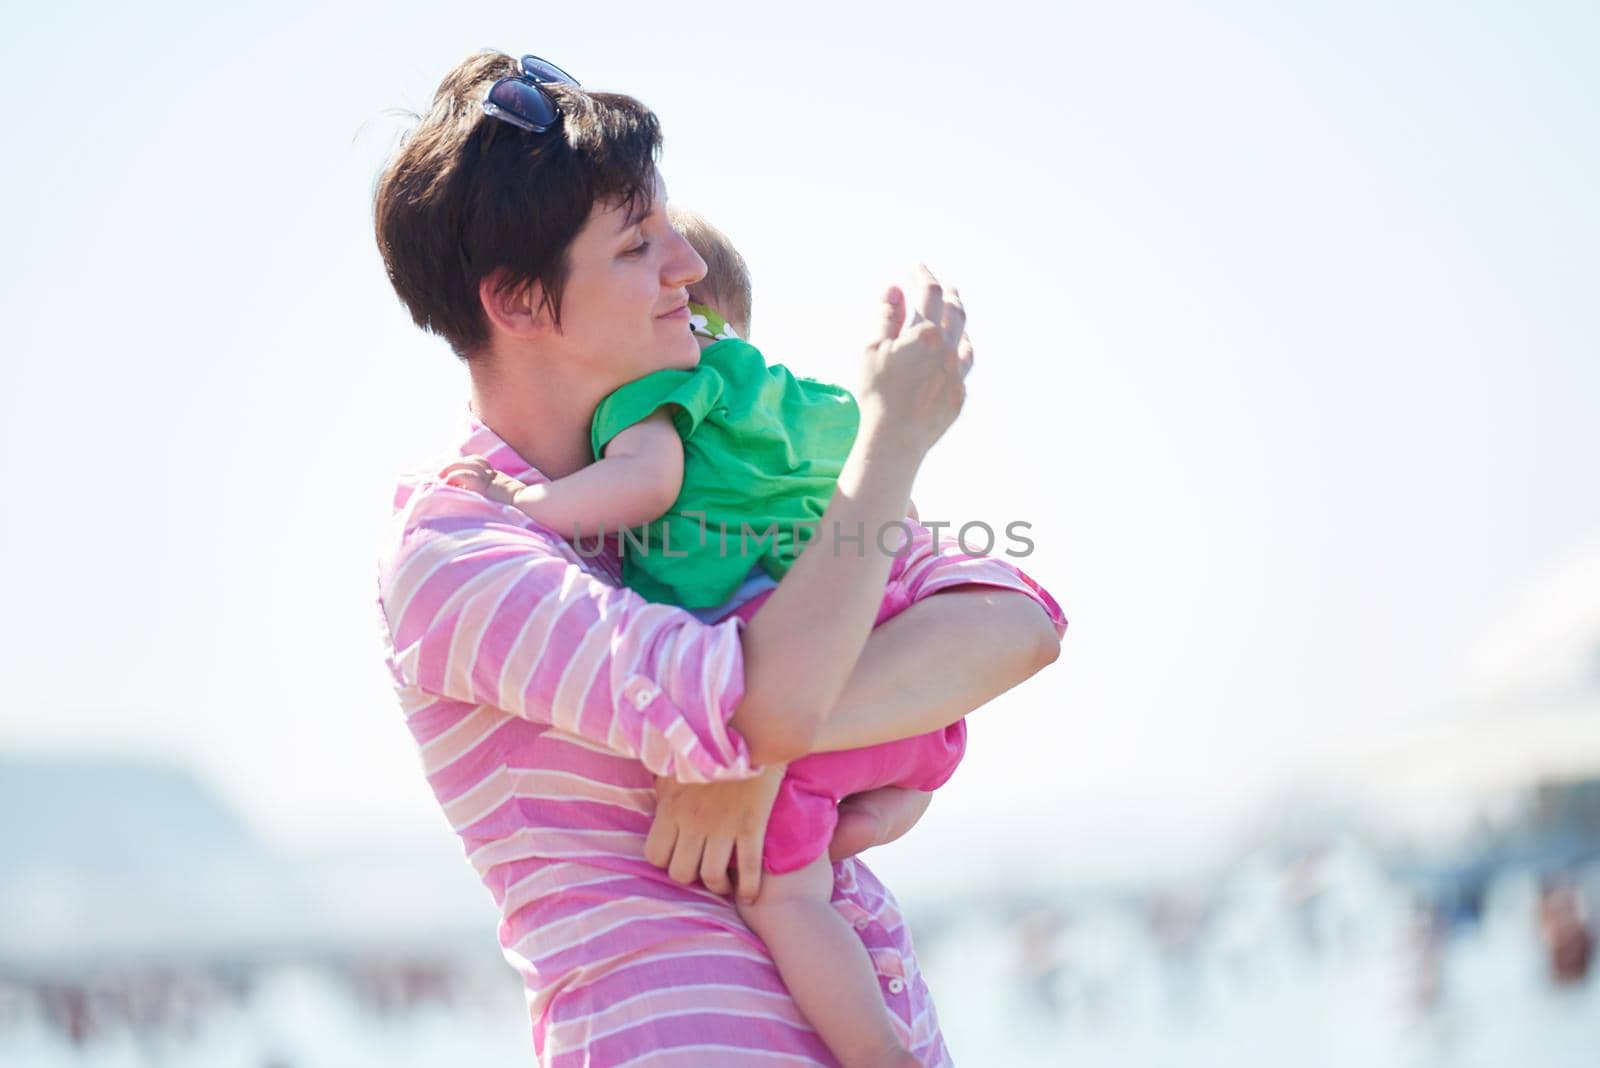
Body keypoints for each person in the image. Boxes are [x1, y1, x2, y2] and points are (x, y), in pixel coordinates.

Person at [373, 50, 1067, 1066]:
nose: (687, 269)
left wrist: (763, 753)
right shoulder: (459, 549)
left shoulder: (717, 469)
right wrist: (889, 441)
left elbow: (1014, 625)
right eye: (635, 246)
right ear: (518, 304)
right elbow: (753, 708)